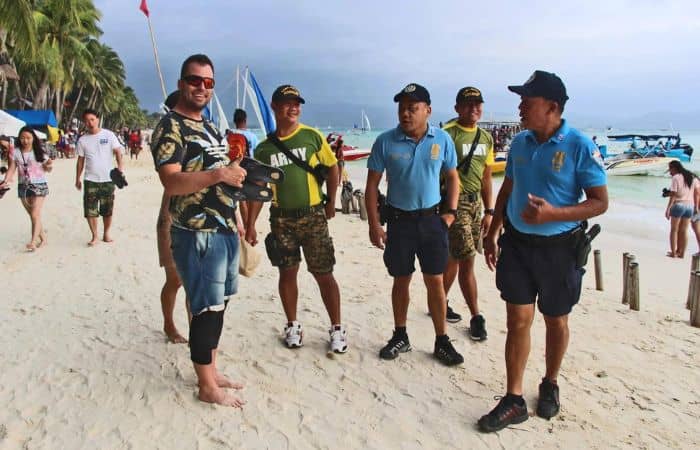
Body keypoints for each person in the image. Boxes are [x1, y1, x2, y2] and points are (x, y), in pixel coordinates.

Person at [478, 70, 608, 432]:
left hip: (560, 249)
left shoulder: (580, 145)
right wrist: (493, 229)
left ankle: (550, 381)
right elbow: (509, 187)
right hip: (517, 244)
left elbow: (599, 203)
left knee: (556, 319)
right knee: (517, 320)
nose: (520, 106)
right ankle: (514, 399)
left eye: (527, 100)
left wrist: (554, 213)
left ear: (551, 107)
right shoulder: (519, 143)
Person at [151, 54, 248, 407]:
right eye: (195, 80)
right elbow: (172, 181)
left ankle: (212, 370)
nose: (202, 88)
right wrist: (219, 175)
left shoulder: (209, 127)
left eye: (209, 82)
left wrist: (235, 205)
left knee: (218, 305)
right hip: (195, 232)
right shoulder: (170, 127)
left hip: (222, 227)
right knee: (205, 309)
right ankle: (206, 387)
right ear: (181, 83)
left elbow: (221, 172)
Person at [365, 83, 464, 366]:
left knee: (435, 281)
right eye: (402, 107)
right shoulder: (385, 141)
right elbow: (372, 186)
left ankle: (442, 340)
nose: (405, 113)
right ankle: (400, 335)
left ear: (427, 111)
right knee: (401, 279)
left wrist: (451, 213)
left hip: (432, 221)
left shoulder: (442, 140)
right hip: (399, 222)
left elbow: (453, 177)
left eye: (413, 107)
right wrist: (374, 224)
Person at [245, 84, 347, 354]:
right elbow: (258, 188)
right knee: (287, 273)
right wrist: (251, 224)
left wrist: (332, 203)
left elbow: (333, 168)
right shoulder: (264, 149)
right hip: (281, 219)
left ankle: (337, 328)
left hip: (313, 216)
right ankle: (292, 324)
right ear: (274, 107)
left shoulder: (312, 137)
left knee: (324, 273)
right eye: (288, 103)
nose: (294, 108)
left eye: (297, 103)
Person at [441, 86, 495, 340]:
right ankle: (476, 316)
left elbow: (486, 176)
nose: (474, 108)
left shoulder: (486, 138)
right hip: (455, 203)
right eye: (468, 104)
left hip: (477, 206)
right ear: (457, 108)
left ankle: (439, 301)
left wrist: (490, 210)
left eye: (478, 104)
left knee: (454, 256)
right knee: (467, 258)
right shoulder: (446, 135)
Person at [155, 90, 188, 344]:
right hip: (171, 214)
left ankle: (196, 330)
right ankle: (169, 324)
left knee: (195, 283)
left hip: (197, 217)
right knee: (174, 278)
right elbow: (169, 178)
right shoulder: (167, 134)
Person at [75, 108, 125, 246]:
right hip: (90, 179)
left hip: (108, 179)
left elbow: (117, 151)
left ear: (98, 119)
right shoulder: (82, 140)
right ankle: (94, 236)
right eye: (87, 121)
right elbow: (80, 161)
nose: (90, 123)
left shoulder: (108, 135)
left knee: (107, 210)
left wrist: (120, 168)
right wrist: (77, 178)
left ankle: (106, 233)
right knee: (90, 210)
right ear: (84, 122)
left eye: (92, 119)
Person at [0, 127, 53, 251]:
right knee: (33, 215)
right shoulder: (15, 152)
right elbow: (12, 168)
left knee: (35, 213)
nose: (25, 140)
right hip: (23, 185)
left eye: (28, 138)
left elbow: (48, 169)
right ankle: (43, 239)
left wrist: (48, 165)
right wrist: (6, 181)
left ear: (33, 138)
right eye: (22, 138)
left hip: (39, 184)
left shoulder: (40, 152)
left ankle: (33, 242)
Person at [665, 160, 698, 258]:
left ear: (674, 168)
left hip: (679, 204)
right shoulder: (692, 177)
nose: (670, 172)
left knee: (674, 230)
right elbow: (696, 191)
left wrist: (668, 208)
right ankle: (682, 253)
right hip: (690, 206)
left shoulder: (676, 177)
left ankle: (674, 253)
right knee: (684, 231)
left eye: (670, 169)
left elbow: (674, 194)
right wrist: (696, 206)